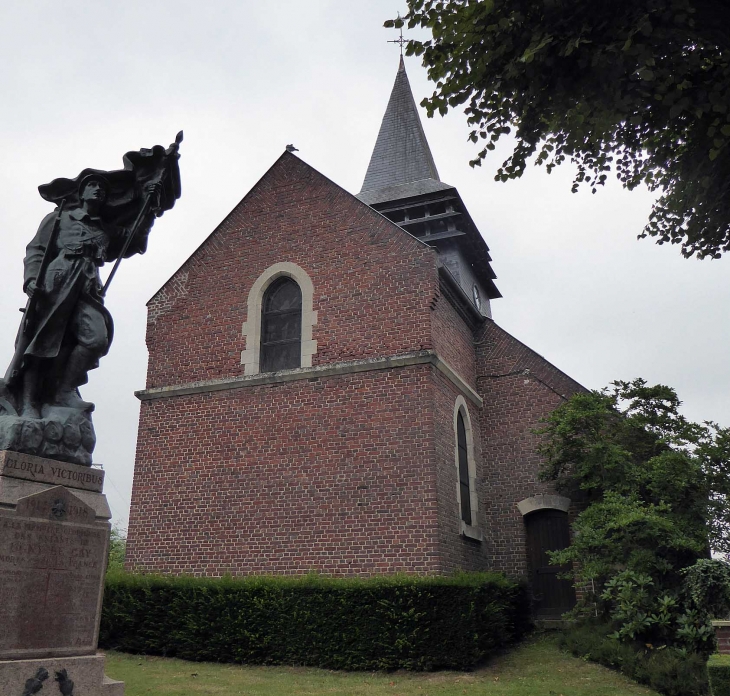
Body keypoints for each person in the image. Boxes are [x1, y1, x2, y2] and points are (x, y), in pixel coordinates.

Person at [7, 172, 161, 418]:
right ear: (81, 193)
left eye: (102, 187)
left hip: (88, 287)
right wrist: (32, 279)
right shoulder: (59, 219)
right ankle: (28, 403)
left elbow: (133, 240)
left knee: (96, 339)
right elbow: (36, 249)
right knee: (42, 342)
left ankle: (64, 391)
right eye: (92, 185)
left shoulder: (105, 229)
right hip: (56, 281)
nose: (98, 189)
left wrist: (150, 206)